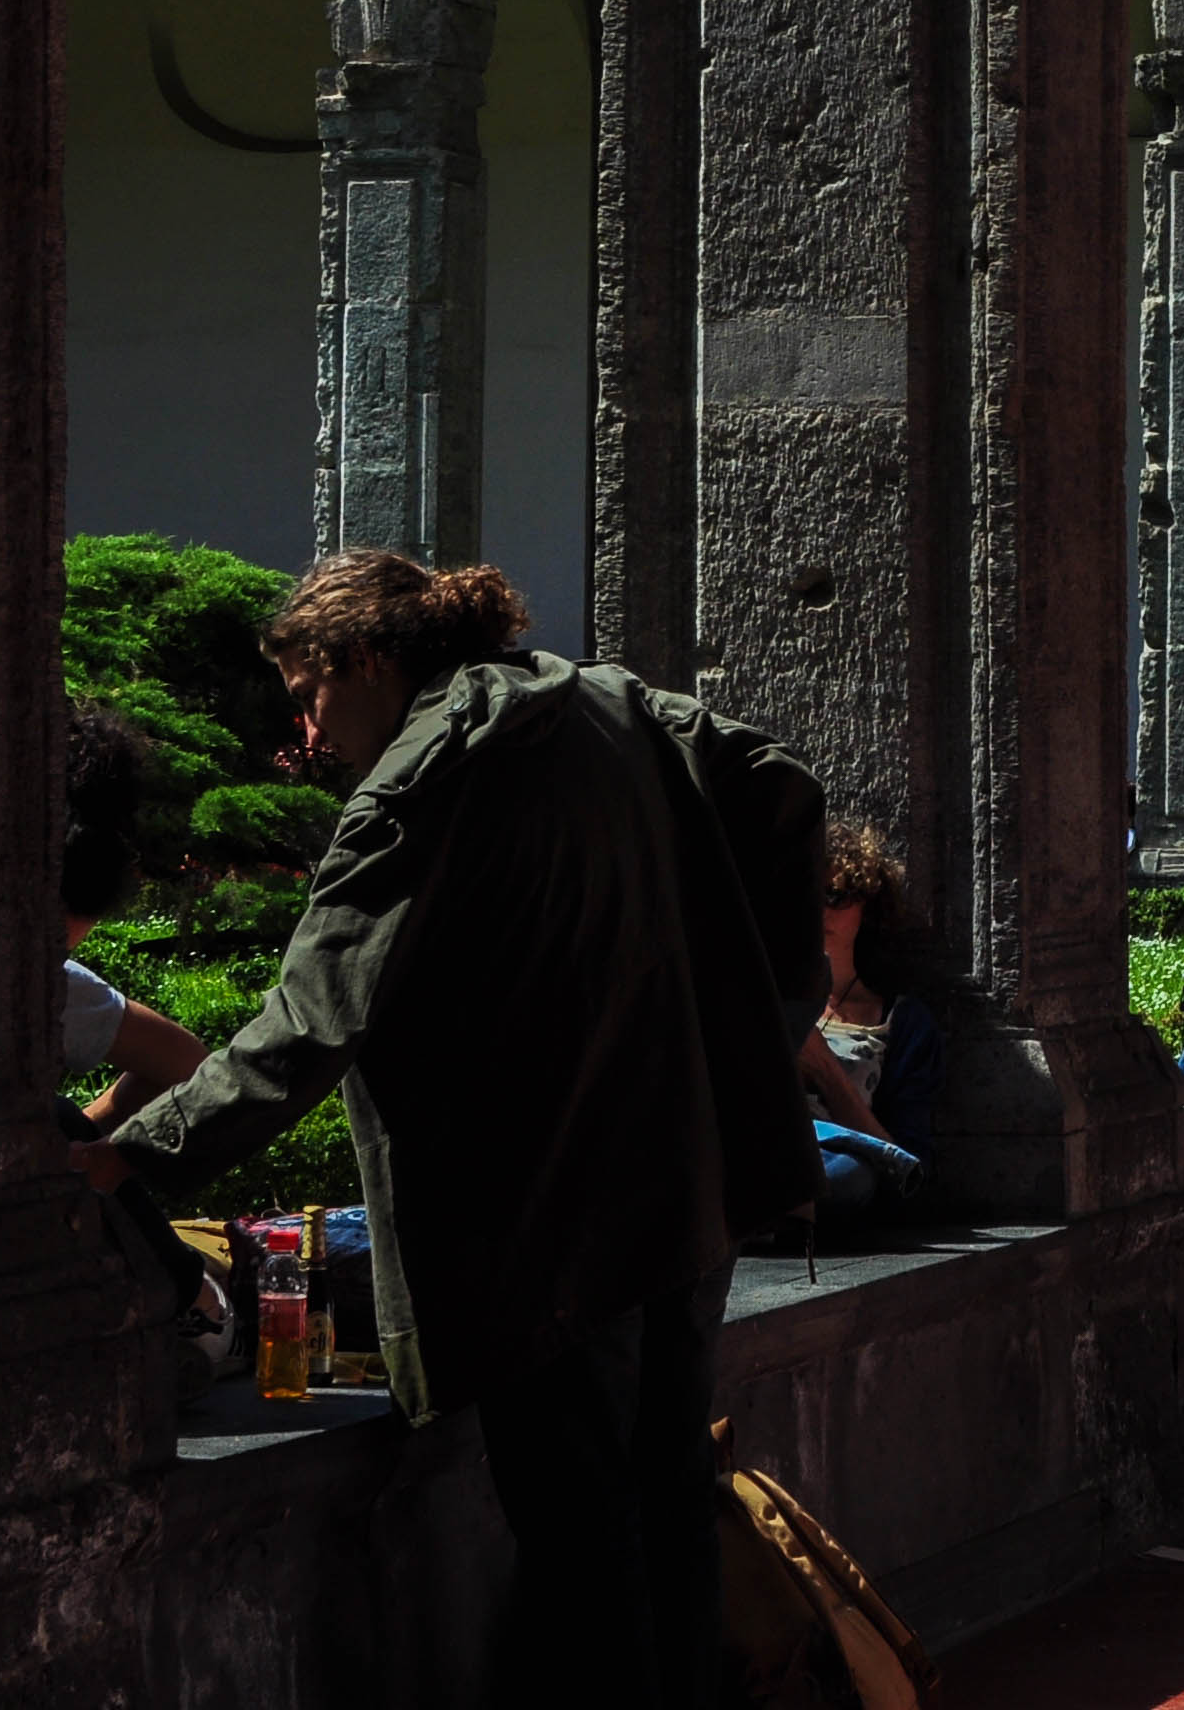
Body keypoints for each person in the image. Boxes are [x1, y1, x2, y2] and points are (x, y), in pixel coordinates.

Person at [84, 550, 826, 1710]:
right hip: (688, 1174)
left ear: (368, 659)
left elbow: (304, 1029)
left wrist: (129, 1153)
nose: (309, 736)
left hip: (547, 1216)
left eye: (310, 698)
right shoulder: (608, 701)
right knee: (670, 1492)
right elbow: (782, 784)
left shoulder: (423, 783)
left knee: (586, 1532)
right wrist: (758, 1024)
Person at [57, 701, 212, 1126]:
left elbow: (192, 1070)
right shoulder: (56, 991)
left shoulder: (64, 993)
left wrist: (83, 1138)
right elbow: (193, 1070)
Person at [798, 821, 940, 1247]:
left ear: (867, 905)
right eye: (806, 895)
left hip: (824, 1154)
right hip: (755, 1140)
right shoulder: (761, 994)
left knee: (851, 1175)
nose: (819, 911)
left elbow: (905, 1170)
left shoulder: (901, 1021)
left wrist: (826, 1071)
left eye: (836, 896)